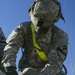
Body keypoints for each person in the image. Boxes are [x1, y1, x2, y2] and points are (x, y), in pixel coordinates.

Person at [1, 0, 68, 75]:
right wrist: (9, 67)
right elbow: (11, 46)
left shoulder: (60, 36)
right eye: (38, 16)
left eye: (47, 18)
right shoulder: (23, 28)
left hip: (50, 72)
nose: (40, 24)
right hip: (26, 70)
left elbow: (55, 64)